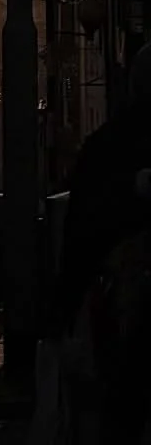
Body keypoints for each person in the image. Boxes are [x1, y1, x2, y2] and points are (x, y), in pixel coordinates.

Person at [53, 44, 151, 444]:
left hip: (121, 318)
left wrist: (63, 310)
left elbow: (81, 234)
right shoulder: (109, 146)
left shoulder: (107, 145)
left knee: (121, 411)